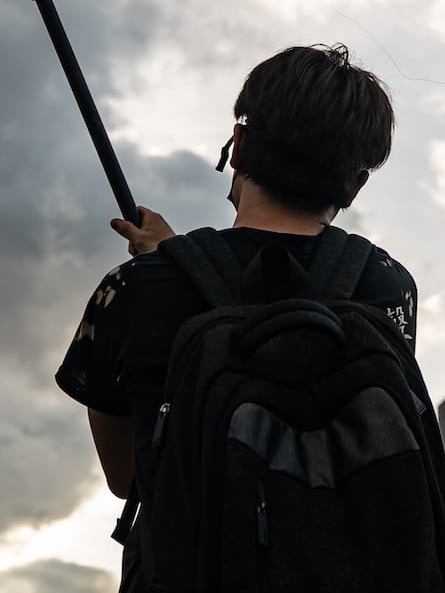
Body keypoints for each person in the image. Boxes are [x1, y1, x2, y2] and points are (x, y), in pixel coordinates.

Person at [55, 44, 420, 586]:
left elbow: (130, 475)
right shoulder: (388, 285)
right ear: (355, 182)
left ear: (240, 143)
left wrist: (173, 270)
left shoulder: (132, 290)